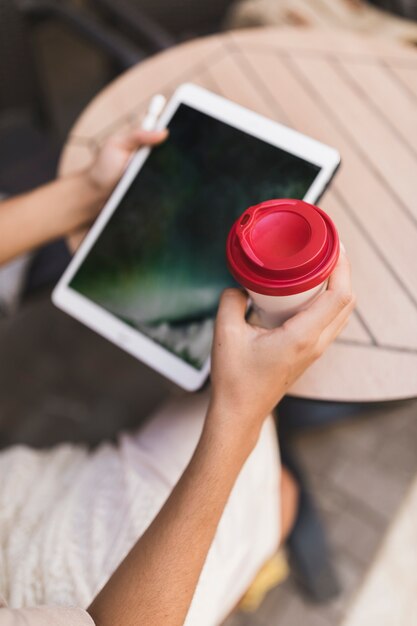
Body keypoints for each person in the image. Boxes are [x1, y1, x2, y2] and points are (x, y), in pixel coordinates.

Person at [0, 124, 355, 626]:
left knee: (273, 492)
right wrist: (239, 415)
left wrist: (86, 193)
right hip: (86, 596)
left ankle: (252, 545)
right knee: (276, 492)